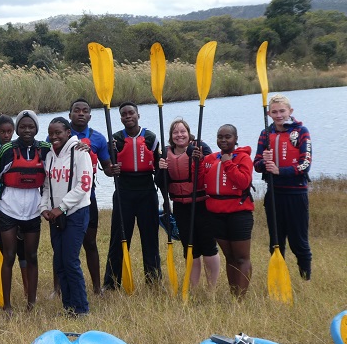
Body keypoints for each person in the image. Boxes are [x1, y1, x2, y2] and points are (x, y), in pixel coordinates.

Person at [0, 110, 51, 316]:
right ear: (17, 129)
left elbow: (65, 149)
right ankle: (7, 305)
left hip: (33, 208)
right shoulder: (7, 149)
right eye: (23, 126)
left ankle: (31, 304)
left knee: (32, 256)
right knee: (9, 255)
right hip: (8, 208)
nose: (27, 130)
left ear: (36, 128)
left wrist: (79, 145)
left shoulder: (45, 149)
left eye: (31, 127)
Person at [49, 98, 112, 297]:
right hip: (61, 201)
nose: (81, 113)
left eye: (85, 111)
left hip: (86, 199)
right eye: (77, 110)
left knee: (90, 243)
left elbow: (107, 167)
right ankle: (57, 289)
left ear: (90, 116)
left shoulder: (98, 139)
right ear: (70, 115)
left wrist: (113, 169)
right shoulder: (56, 136)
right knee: (60, 247)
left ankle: (97, 288)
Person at [103, 101, 162, 289]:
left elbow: (159, 167)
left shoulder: (151, 138)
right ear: (120, 118)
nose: (128, 116)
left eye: (131, 113)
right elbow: (107, 168)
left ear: (138, 115)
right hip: (124, 192)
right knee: (119, 238)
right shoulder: (115, 139)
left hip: (146, 191)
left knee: (150, 238)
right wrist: (111, 168)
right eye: (124, 114)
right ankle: (111, 283)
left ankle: (153, 281)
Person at [253, 94, 312, 280]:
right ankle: (279, 280)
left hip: (296, 194)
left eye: (282, 111)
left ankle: (306, 279)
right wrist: (265, 162)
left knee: (298, 242)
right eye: (275, 112)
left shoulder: (301, 132)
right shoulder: (265, 134)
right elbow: (256, 164)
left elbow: (305, 165)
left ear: (290, 111)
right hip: (274, 194)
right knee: (276, 242)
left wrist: (280, 170)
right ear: (269, 114)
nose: (279, 115)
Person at [157, 118, 220, 290]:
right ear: (171, 136)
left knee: (208, 246)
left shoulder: (200, 148)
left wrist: (201, 159)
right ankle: (193, 288)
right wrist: (161, 169)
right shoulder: (165, 153)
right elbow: (161, 183)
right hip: (180, 206)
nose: (179, 135)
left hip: (202, 205)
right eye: (175, 132)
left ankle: (212, 289)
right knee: (190, 247)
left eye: (182, 131)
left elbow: (212, 170)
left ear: (188, 133)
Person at [40, 117, 93, 316]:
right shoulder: (50, 156)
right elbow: (47, 185)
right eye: (50, 133)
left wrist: (61, 207)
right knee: (60, 262)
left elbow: (84, 185)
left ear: (68, 132)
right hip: (56, 216)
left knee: (70, 260)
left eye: (58, 133)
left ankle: (81, 308)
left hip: (76, 212)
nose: (54, 137)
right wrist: (44, 207)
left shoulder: (80, 152)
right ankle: (68, 307)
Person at [198, 124, 254, 298]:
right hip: (216, 214)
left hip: (239, 214)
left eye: (228, 137)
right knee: (229, 257)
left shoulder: (243, 158)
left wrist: (228, 163)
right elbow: (199, 183)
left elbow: (243, 182)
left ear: (235, 139)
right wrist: (197, 163)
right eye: (220, 137)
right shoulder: (210, 159)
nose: (223, 140)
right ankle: (234, 294)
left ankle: (240, 300)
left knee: (241, 257)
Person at [0, 113, 28, 296]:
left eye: (10, 131)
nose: (6, 135)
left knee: (23, 251)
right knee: (2, 248)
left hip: (18, 204)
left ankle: (27, 290)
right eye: (3, 132)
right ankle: (1, 291)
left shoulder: (19, 147)